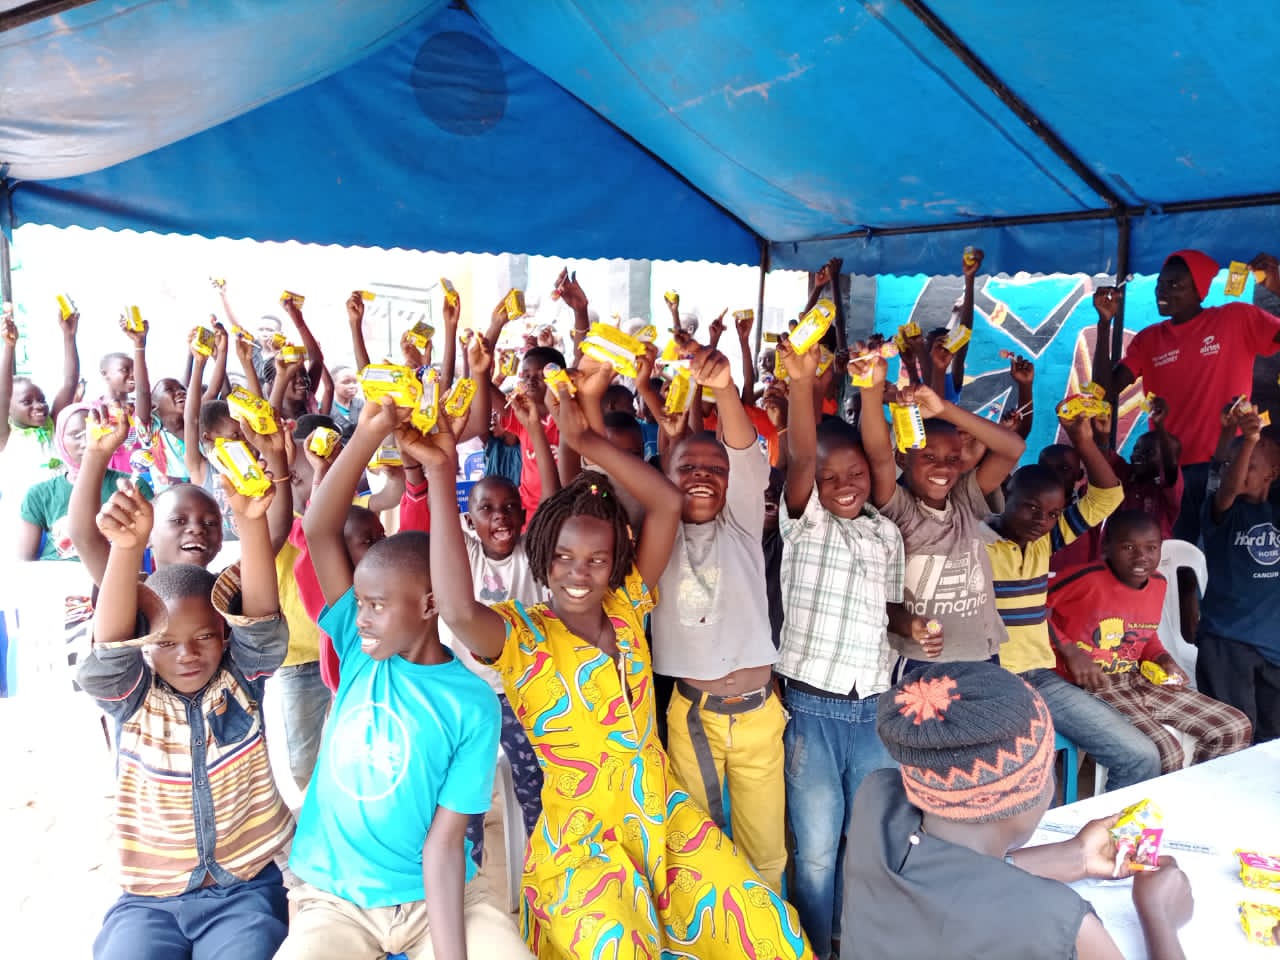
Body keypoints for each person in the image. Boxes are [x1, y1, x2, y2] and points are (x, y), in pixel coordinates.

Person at [421, 379, 815, 958]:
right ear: (543, 555)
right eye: (563, 557)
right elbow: (457, 610)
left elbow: (667, 503)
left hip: (662, 818)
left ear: (616, 562)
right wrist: (439, 473)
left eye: (596, 559)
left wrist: (587, 441)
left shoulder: (629, 606)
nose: (578, 573)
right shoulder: (521, 635)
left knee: (765, 922)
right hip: (583, 842)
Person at [280, 397, 527, 960]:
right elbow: (319, 528)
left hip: (438, 899)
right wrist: (367, 434)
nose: (361, 617)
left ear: (429, 605)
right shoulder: (358, 650)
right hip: (335, 898)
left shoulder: (472, 703)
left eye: (376, 605)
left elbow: (444, 847)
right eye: (359, 603)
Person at [842, 661, 1196, 960]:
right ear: (1034, 788)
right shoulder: (1057, 922)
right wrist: (1160, 915)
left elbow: (942, 878)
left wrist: (1076, 857)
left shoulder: (878, 801)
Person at [78, 476, 293, 960]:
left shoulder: (241, 681)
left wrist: (251, 523)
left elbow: (261, 625)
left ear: (225, 634)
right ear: (144, 647)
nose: (187, 654)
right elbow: (109, 654)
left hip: (243, 890)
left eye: (204, 637)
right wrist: (127, 549)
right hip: (149, 901)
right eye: (167, 643)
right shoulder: (133, 699)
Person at [774, 340, 906, 956]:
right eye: (829, 478)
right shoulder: (805, 524)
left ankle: (854, 940)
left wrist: (914, 628)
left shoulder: (886, 534)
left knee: (866, 841)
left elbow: (891, 610)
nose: (843, 485)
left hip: (874, 706)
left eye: (854, 474)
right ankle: (816, 947)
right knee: (818, 850)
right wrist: (802, 384)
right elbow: (803, 456)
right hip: (812, 709)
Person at [651, 346, 787, 891]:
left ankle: (766, 930)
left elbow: (747, 456)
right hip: (695, 717)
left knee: (767, 850)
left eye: (716, 470)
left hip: (760, 714)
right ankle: (710, 932)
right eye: (687, 469)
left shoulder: (742, 526)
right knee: (699, 846)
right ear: (664, 477)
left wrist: (726, 389)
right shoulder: (656, 540)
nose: (702, 476)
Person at [985, 419, 1163, 790]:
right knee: (1034, 786)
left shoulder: (1043, 542)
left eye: (1053, 514)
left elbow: (1107, 497)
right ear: (1006, 493)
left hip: (1040, 676)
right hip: (992, 682)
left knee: (1141, 757)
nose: (1042, 520)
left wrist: (1083, 440)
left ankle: (1106, 828)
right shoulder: (975, 543)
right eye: (1031, 507)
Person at [853, 348, 1025, 672]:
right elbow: (878, 456)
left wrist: (944, 409)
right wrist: (871, 391)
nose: (943, 467)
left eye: (952, 459)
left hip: (982, 655)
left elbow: (1013, 448)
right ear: (903, 458)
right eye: (929, 457)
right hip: (921, 662)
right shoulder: (899, 509)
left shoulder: (965, 501)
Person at [1094, 249, 1280, 546]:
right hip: (1170, 475)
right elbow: (1105, 390)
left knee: (1220, 557)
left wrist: (1277, 289)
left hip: (1227, 467)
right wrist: (1105, 324)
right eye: (1160, 284)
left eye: (1175, 284)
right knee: (1176, 557)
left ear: (1199, 290)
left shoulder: (1236, 317)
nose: (1162, 291)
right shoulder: (1149, 339)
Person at [1048, 510, 1252, 772]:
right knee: (1165, 751)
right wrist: (1069, 650)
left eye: (1151, 548)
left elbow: (1144, 631)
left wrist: (1162, 658)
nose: (1141, 556)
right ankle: (1155, 798)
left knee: (1233, 727)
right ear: (1106, 547)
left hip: (1136, 679)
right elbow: (1030, 609)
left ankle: (1196, 788)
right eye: (1128, 547)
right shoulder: (1084, 579)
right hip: (1091, 686)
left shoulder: (1158, 583)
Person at [1195, 408, 1280, 741]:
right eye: (1233, 464)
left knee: (1271, 739)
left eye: (1250, 465)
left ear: (1273, 473)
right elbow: (1227, 487)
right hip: (1226, 643)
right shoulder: (1221, 512)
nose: (1238, 470)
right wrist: (1247, 441)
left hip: (1272, 645)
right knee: (1233, 736)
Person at [1, 304, 80, 536]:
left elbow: (69, 382)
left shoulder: (53, 425)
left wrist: (69, 337)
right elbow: (2, 395)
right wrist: (9, 347)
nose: (39, 405)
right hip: (22, 522)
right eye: (27, 402)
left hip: (61, 517)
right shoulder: (6, 437)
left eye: (42, 399)